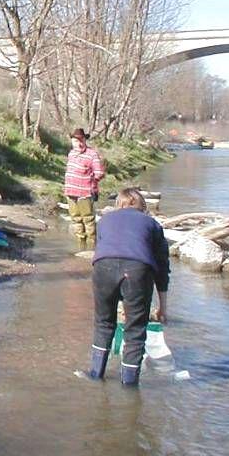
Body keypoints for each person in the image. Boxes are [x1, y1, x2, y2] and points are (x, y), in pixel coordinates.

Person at [86, 188, 170, 386]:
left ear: (118, 205)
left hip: (102, 267)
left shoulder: (104, 221)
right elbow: (162, 268)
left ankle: (95, 375)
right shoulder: (152, 224)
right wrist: (163, 307)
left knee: (103, 323)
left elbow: (105, 249)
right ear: (143, 207)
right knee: (135, 330)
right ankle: (129, 388)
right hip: (137, 270)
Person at [64, 128, 105, 250]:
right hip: (70, 192)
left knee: (88, 220)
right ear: (72, 141)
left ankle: (92, 246)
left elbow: (99, 173)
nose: (79, 143)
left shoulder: (92, 154)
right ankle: (81, 245)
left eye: (81, 140)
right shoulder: (71, 154)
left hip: (85, 193)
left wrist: (92, 184)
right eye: (75, 140)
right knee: (76, 219)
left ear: (85, 140)